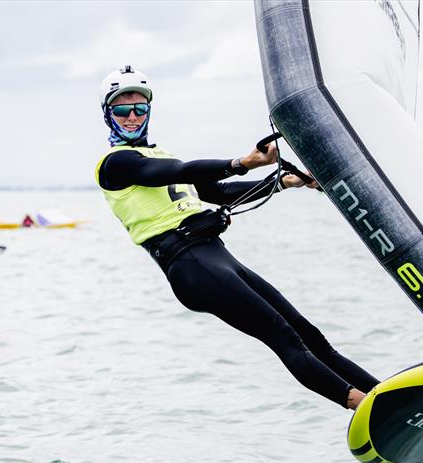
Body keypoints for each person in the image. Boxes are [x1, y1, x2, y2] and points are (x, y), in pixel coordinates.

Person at [95, 65, 379, 409]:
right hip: (190, 266)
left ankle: (387, 393)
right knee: (283, 336)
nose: (131, 117)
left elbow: (220, 191)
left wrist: (284, 182)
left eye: (139, 108)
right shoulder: (115, 163)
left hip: (216, 256)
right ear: (108, 113)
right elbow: (179, 171)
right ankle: (364, 406)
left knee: (308, 333)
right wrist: (243, 161)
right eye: (122, 110)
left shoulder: (160, 153)